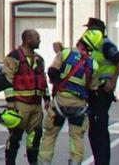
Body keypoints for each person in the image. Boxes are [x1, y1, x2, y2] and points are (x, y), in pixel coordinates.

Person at [39, 31, 101, 165]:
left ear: (79, 42)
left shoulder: (66, 53)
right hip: (79, 106)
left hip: (59, 104)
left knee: (49, 136)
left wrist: (56, 84)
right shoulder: (93, 64)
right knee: (76, 138)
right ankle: (75, 162)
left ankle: (44, 162)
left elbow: (52, 71)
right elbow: (93, 89)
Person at [82, 18, 119, 165]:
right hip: (93, 90)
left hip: (102, 90)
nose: (87, 31)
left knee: (98, 128)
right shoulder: (92, 45)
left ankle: (102, 162)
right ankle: (100, 160)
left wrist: (113, 81)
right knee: (94, 130)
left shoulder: (105, 44)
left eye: (89, 29)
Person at [2, 30, 47, 165]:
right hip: (20, 103)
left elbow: (42, 79)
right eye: (37, 38)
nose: (40, 40)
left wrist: (47, 99)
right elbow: (6, 79)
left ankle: (33, 162)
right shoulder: (13, 57)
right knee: (15, 136)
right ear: (28, 40)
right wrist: (10, 101)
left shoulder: (39, 59)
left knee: (35, 135)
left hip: (36, 105)